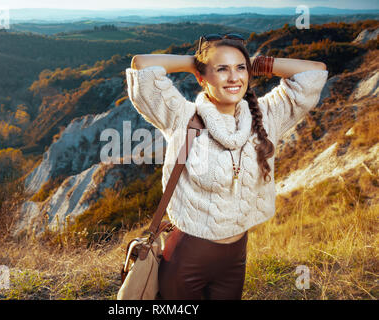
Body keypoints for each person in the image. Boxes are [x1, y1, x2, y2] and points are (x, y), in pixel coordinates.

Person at [125, 33, 328, 300]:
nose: (234, 78)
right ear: (201, 78)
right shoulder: (182, 116)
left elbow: (315, 72)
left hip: (235, 258)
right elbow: (142, 66)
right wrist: (196, 62)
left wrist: (257, 63)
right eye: (222, 70)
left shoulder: (266, 116)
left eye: (240, 68)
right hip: (187, 256)